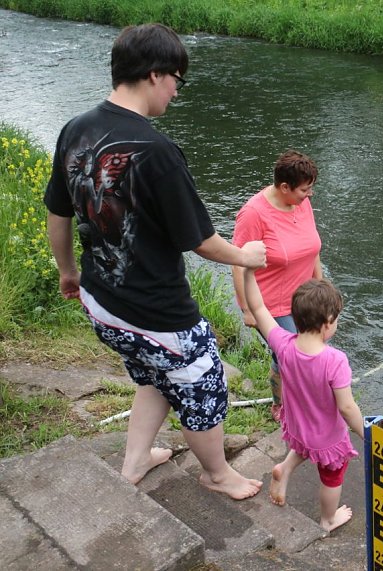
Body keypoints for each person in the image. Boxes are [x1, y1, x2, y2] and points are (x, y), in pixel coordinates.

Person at [44, 23, 266, 499]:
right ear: (155, 74)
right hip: (155, 312)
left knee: (153, 372)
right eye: (176, 82)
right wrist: (247, 255)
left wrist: (68, 273)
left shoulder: (76, 128)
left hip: (101, 304)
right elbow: (203, 242)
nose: (175, 94)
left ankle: (136, 459)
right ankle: (217, 473)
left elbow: (57, 213)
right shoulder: (158, 153)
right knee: (205, 379)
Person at [244, 272, 364, 531]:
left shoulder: (283, 344)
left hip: (297, 425)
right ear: (327, 322)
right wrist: (366, 431)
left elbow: (258, 307)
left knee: (302, 447)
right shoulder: (335, 360)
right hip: (327, 437)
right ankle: (328, 519)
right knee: (332, 477)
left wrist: (247, 271)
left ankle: (284, 469)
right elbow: (346, 407)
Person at [232, 150, 323, 420]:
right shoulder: (254, 214)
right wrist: (247, 309)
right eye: (304, 190)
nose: (309, 195)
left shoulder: (301, 203)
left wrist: (321, 285)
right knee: (290, 356)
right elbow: (237, 262)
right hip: (271, 304)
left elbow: (313, 246)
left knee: (303, 354)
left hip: (306, 297)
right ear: (285, 187)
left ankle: (296, 402)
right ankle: (281, 406)